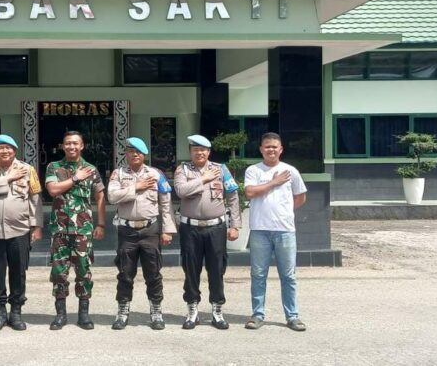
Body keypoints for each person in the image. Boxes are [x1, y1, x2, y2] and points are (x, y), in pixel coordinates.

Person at [107, 137, 176, 330]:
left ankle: (156, 311)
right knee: (125, 273)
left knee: (153, 272)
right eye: (130, 151)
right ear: (126, 154)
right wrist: (135, 187)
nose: (134, 154)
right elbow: (111, 196)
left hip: (150, 229)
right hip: (127, 230)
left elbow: (166, 203)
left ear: (144, 154)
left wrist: (168, 229)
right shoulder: (118, 174)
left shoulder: (156, 174)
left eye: (138, 152)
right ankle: (122, 311)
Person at [173, 134, 241, 330]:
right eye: (195, 150)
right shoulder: (183, 169)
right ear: (190, 152)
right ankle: (192, 311)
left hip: (216, 228)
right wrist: (202, 179)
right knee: (191, 269)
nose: (199, 153)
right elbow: (181, 191)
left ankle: (217, 310)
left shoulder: (221, 169)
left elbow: (233, 196)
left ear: (208, 152)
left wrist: (234, 225)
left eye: (203, 150)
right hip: (190, 228)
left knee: (217, 269)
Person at [0, 134, 43, 331]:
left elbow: (35, 199)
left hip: (19, 229)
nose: (5, 151)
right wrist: (8, 178)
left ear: (15, 150)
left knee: (18, 271)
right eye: (0, 148)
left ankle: (15, 311)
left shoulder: (28, 169)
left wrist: (37, 225)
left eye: (9, 148)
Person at [244, 132, 308, 332]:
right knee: (258, 274)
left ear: (281, 149)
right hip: (259, 231)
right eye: (267, 146)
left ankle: (292, 316)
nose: (271, 149)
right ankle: (258, 314)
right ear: (261, 149)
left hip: (285, 231)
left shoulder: (291, 171)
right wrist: (274, 182)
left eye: (274, 146)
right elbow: (250, 192)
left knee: (288, 275)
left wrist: (285, 213)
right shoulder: (253, 170)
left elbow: (300, 196)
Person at [45, 131, 106, 330]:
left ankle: (83, 314)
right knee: (59, 272)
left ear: (82, 146)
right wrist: (76, 178)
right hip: (60, 229)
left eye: (75, 143)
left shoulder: (91, 169)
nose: (71, 147)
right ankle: (61, 315)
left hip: (83, 229)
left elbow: (99, 197)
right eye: (68, 143)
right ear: (63, 146)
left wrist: (101, 224)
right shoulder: (54, 167)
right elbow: (53, 190)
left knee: (83, 270)